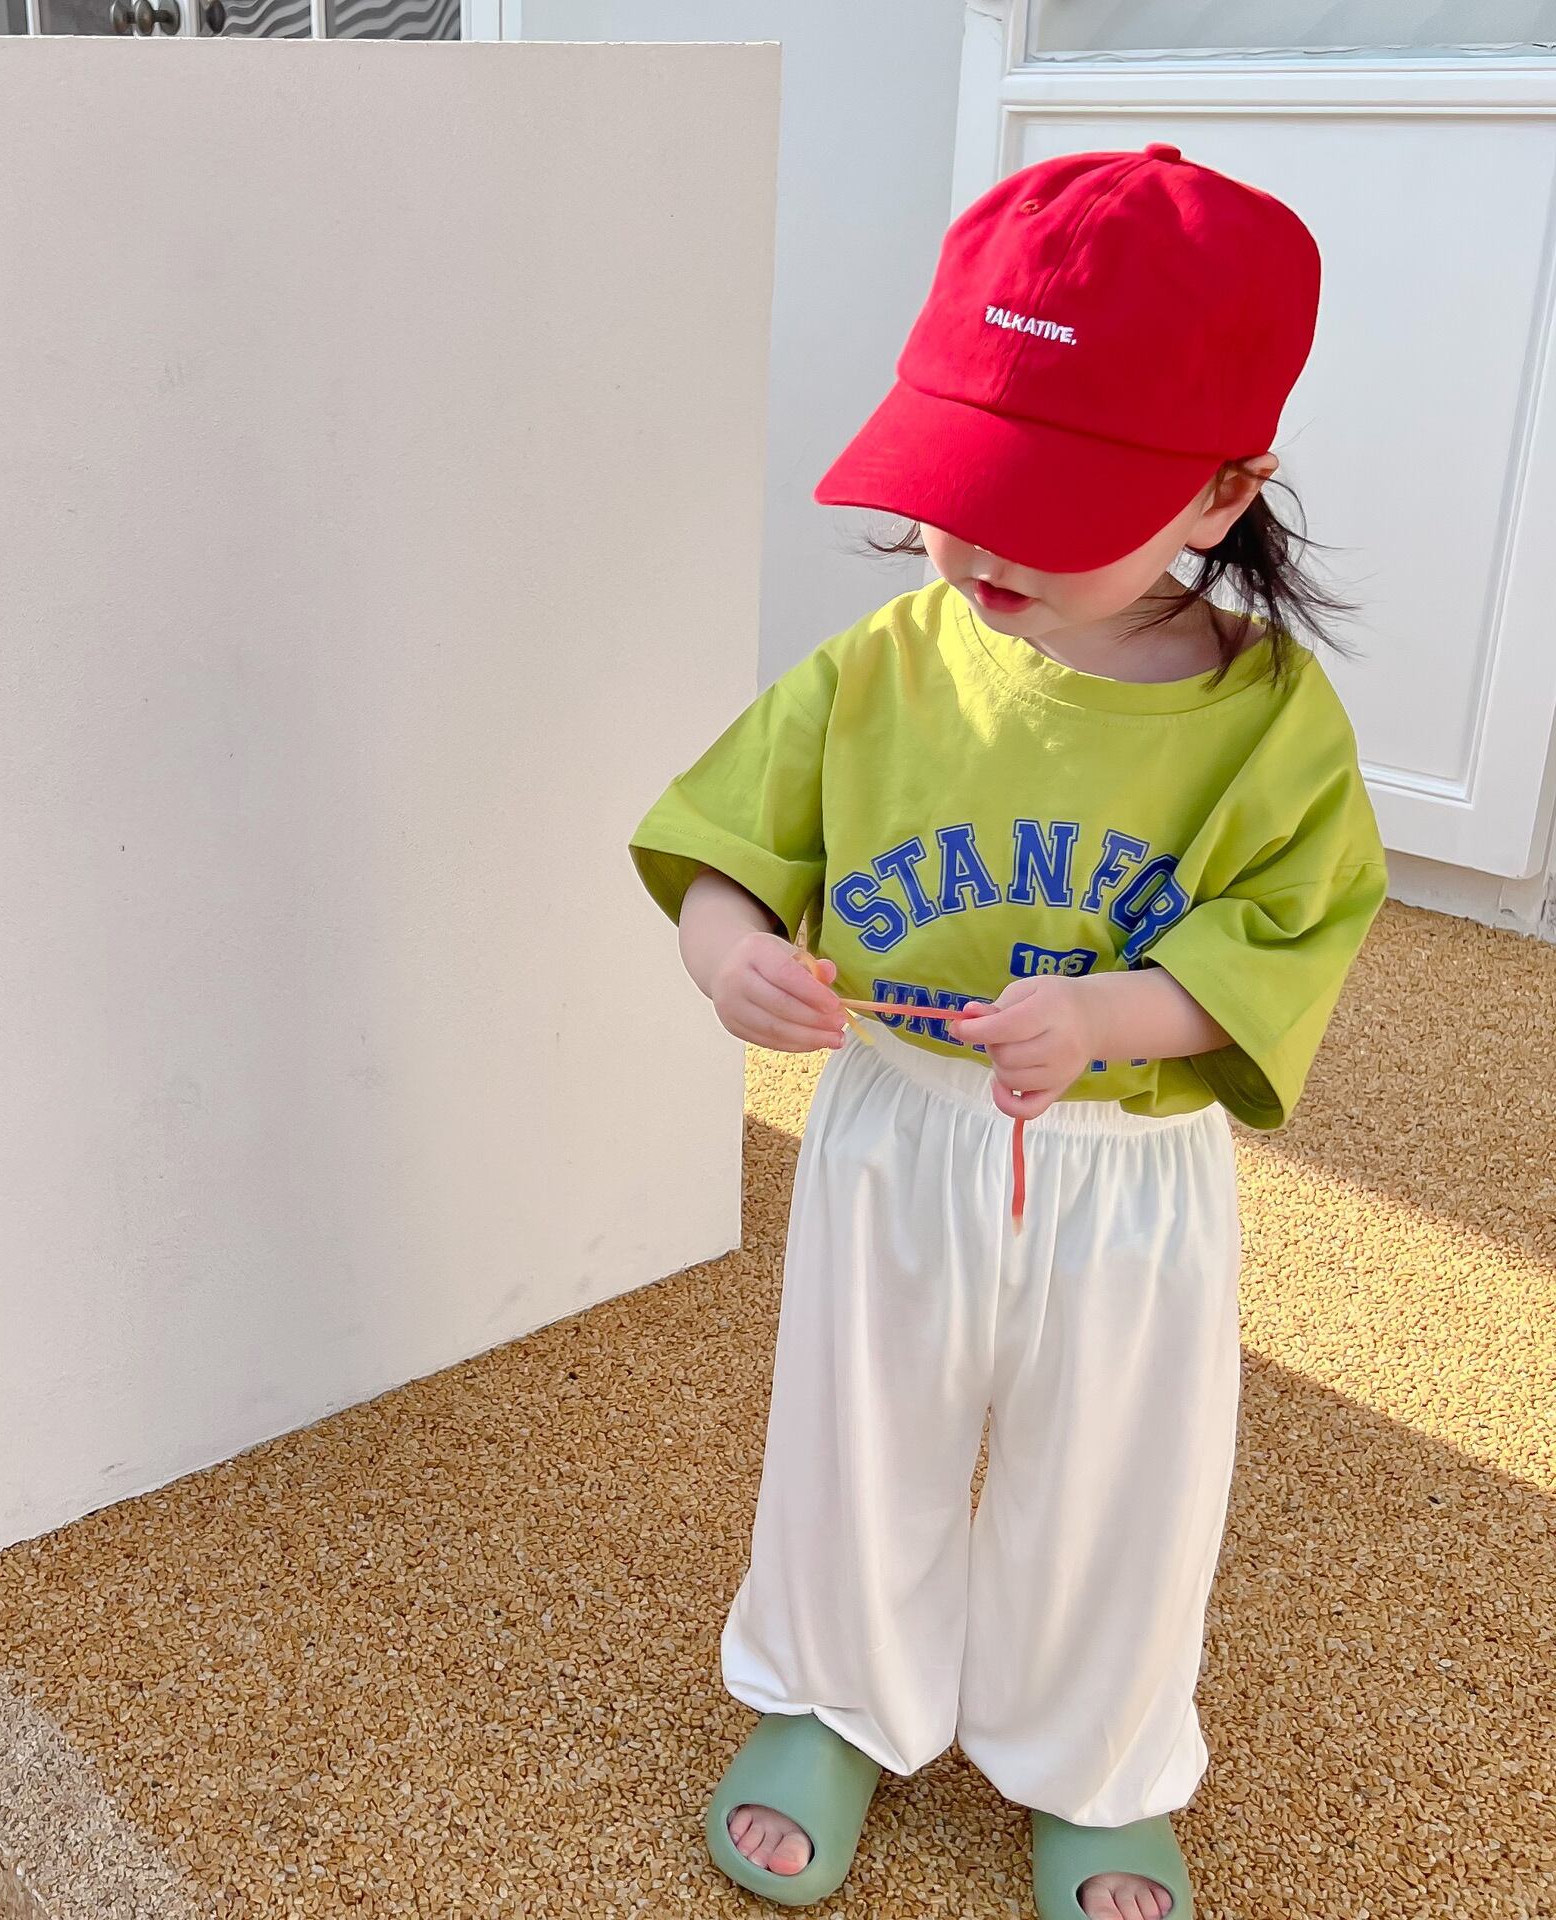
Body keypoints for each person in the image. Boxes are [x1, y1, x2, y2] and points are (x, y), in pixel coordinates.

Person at [626, 145, 1388, 1920]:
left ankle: (1096, 1759)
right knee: (857, 1433)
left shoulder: (1272, 721)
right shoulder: (885, 664)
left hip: (1131, 1170)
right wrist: (730, 955)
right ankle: (834, 1700)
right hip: (900, 1130)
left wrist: (1122, 1009)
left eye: (1048, 501)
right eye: (960, 482)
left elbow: (1292, 926)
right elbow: (727, 851)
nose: (974, 542)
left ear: (1223, 492)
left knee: (1119, 1476)